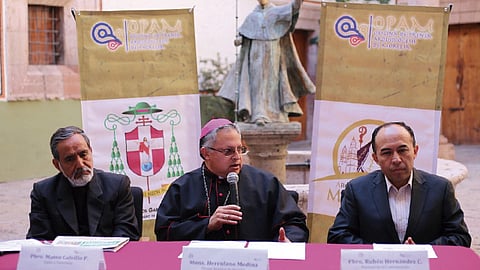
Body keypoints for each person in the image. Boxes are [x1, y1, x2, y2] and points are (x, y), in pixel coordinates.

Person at [155, 118, 309, 242]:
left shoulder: (265, 183)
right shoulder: (183, 187)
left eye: (240, 149)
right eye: (228, 151)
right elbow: (164, 232)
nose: (237, 157)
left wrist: (289, 240)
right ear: (206, 153)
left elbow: (295, 223)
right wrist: (206, 225)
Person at [327, 122, 471, 247]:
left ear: (415, 151)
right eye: (387, 153)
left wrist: (423, 250)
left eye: (402, 150)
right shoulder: (357, 190)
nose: (396, 159)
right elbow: (338, 236)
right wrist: (380, 253)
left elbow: (460, 237)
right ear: (375, 158)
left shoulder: (440, 189)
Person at [26, 126, 140, 241]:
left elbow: (126, 233)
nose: (80, 164)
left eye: (83, 154)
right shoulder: (43, 192)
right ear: (57, 165)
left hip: (108, 256)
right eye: (70, 159)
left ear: (91, 151)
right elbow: (39, 239)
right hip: (65, 257)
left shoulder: (118, 185)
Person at [218, 0, 315, 125]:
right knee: (257, 84)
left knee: (273, 82)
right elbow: (244, 33)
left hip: (272, 53)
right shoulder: (252, 16)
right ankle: (258, 114)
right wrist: (239, 39)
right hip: (255, 55)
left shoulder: (277, 11)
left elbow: (294, 8)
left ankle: (276, 114)